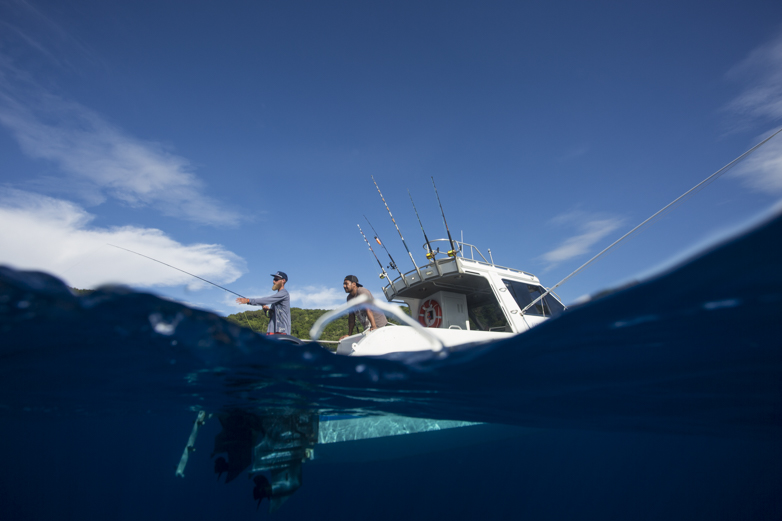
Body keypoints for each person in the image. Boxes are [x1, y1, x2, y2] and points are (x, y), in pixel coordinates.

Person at [339, 275, 387, 340]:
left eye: (346, 283)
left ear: (353, 284)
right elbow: (351, 317)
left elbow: (368, 310)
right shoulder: (349, 298)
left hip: (379, 325)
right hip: (368, 328)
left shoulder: (362, 292)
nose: (344, 286)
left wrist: (374, 327)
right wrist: (349, 334)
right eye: (343, 284)